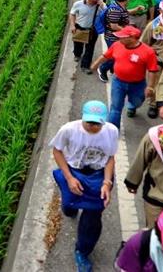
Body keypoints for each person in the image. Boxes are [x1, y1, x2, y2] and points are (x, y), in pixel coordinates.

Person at [50, 101, 119, 272]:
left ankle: (82, 251)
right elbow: (57, 151)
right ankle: (70, 206)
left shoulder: (111, 131)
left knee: (93, 215)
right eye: (90, 122)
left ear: (104, 121)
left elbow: (110, 157)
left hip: (98, 175)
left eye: (98, 123)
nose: (94, 127)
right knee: (68, 207)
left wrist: (107, 182)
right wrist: (69, 178)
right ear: (82, 118)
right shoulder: (69, 130)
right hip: (74, 172)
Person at [98, 26, 158, 128]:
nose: (119, 39)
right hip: (118, 81)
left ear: (132, 38)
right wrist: (96, 65)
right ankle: (112, 130)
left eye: (123, 37)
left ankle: (132, 106)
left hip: (138, 84)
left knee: (137, 102)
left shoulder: (148, 52)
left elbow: (152, 70)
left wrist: (150, 86)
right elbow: (106, 56)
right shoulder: (117, 45)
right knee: (115, 108)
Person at [69, 0, 102, 73]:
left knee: (90, 48)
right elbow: (72, 14)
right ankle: (77, 54)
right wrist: (72, 25)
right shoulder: (78, 4)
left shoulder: (99, 6)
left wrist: (102, 5)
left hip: (92, 30)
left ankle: (85, 65)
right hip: (80, 27)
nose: (94, 0)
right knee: (78, 44)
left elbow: (106, 13)